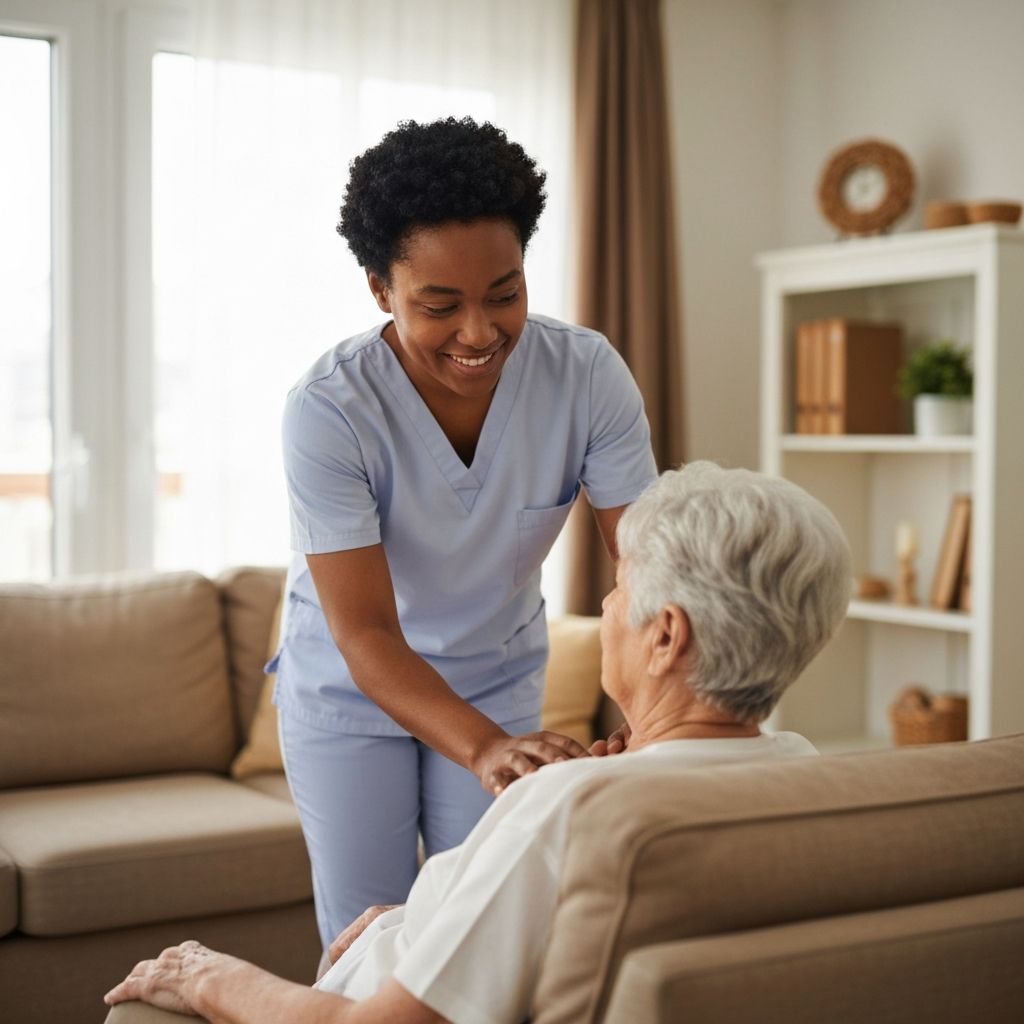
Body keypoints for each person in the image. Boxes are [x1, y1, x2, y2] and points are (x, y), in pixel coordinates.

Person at [105, 461, 853, 1024]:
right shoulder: (804, 780)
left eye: (622, 585)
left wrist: (207, 976)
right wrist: (412, 919)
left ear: (665, 637)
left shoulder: (571, 805)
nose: (606, 601)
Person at [266, 116, 658, 949]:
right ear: (380, 289)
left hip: (495, 676)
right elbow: (365, 631)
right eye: (439, 305)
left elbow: (650, 566)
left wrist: (659, 717)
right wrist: (482, 749)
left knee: (484, 933)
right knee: (369, 940)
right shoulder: (330, 409)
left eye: (505, 294)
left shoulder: (586, 376)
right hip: (351, 687)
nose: (479, 333)